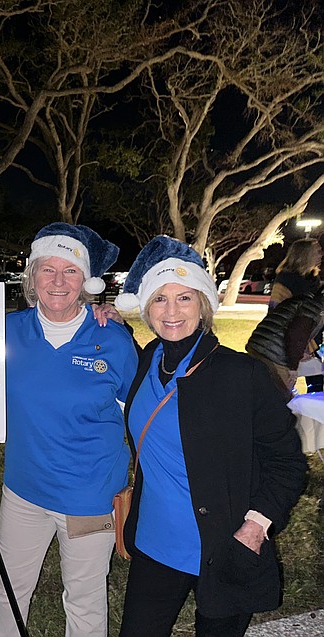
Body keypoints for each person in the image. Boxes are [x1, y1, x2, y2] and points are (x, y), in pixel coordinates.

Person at [113, 236, 307, 637]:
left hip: (223, 547)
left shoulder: (243, 375)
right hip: (154, 542)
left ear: (203, 305)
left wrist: (254, 528)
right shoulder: (148, 358)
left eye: (184, 298)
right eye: (160, 299)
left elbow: (286, 461)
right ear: (146, 308)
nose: (171, 311)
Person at [0, 223, 138, 637]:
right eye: (47, 270)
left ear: (86, 282)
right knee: (9, 590)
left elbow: (138, 413)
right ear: (31, 278)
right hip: (23, 491)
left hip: (90, 496)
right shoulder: (5, 331)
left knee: (85, 599)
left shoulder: (112, 339)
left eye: (70, 271)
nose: (58, 281)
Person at [266, 238, 324, 392]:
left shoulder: (313, 279)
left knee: (316, 388)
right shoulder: (285, 280)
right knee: (284, 389)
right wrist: (296, 351)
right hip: (290, 344)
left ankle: (310, 414)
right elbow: (276, 315)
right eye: (317, 251)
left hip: (312, 344)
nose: (321, 254)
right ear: (305, 254)